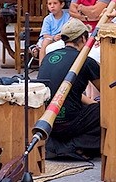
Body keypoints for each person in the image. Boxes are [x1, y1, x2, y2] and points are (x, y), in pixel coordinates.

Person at [37, 18, 101, 160]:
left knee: (93, 107)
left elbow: (66, 91)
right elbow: (107, 93)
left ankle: (54, 145)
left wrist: (91, 103)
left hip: (47, 122)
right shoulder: (85, 60)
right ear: (84, 38)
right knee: (106, 111)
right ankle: (72, 146)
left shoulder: (48, 56)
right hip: (68, 123)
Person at [30, 0, 71, 64]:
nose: (52, 6)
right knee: (46, 41)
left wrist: (60, 36)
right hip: (48, 38)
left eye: (55, 3)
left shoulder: (67, 17)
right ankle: (41, 65)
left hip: (62, 38)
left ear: (62, 4)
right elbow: (45, 34)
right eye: (49, 4)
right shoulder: (48, 19)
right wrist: (53, 37)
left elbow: (69, 30)